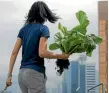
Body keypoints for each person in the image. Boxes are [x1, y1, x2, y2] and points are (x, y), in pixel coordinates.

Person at [5, 1, 70, 93]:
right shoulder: (43, 29)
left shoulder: (23, 30)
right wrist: (61, 56)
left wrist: (9, 76)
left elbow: (14, 53)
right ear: (44, 14)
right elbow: (42, 53)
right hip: (34, 73)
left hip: (22, 74)